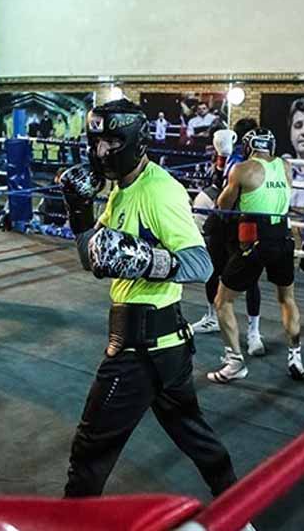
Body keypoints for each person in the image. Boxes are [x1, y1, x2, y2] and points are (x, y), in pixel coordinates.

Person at [60, 99, 239, 501]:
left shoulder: (159, 190)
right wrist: (79, 212)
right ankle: (240, 515)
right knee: (195, 436)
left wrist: (147, 260)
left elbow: (201, 264)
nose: (101, 152)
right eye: (96, 142)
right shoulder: (122, 191)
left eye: (111, 142)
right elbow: (95, 257)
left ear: (134, 141)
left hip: (140, 350)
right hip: (166, 348)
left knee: (89, 454)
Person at [208, 128, 304, 383]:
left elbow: (223, 206)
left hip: (254, 241)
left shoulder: (242, 169)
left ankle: (235, 363)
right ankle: (295, 356)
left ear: (248, 146)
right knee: (287, 298)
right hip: (283, 238)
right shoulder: (286, 166)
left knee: (223, 301)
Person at [192, 119, 263, 357]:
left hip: (244, 224)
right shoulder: (231, 156)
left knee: (250, 278)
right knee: (212, 270)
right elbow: (216, 184)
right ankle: (213, 317)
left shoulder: (258, 164)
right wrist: (221, 157)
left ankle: (254, 333)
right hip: (224, 222)